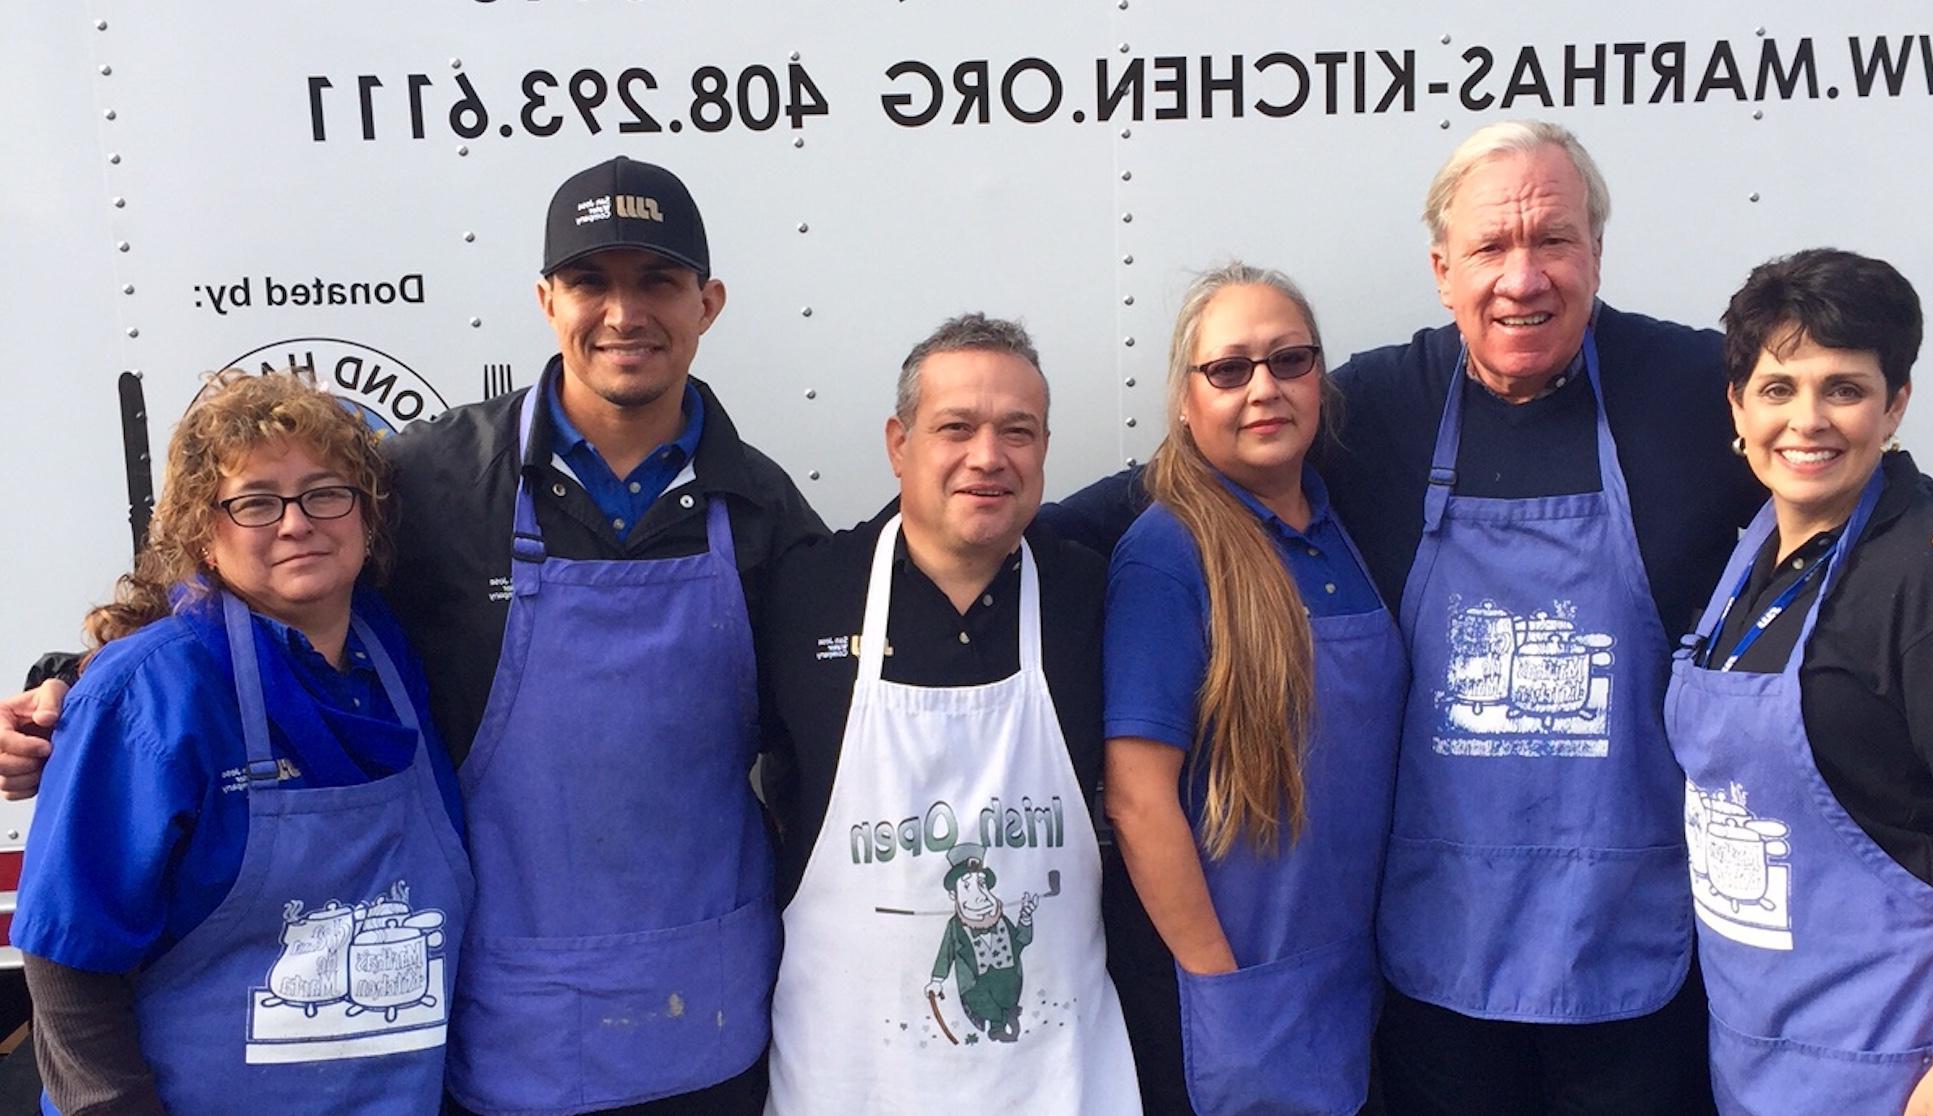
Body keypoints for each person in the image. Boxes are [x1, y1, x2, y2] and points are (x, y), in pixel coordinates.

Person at [1041, 120, 1933, 1115]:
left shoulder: (1687, 388)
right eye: (1491, 247)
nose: (1521, 278)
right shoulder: (1376, 404)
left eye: (1553, 242)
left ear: (1596, 255)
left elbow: (1847, 460)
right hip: (1433, 964)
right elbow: (1170, 485)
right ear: (1443, 271)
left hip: (1637, 961)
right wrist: (962, 540)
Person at [1, 155, 825, 1116]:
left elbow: (835, 713)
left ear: (707, 302)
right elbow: (258, 589)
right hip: (503, 1022)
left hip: (709, 1016)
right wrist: (78, 686)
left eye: (658, 282)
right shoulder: (436, 477)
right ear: (546, 299)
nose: (623, 312)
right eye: (591, 281)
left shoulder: (761, 505)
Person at [14, 371, 472, 1115]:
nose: (297, 523)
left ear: (367, 516)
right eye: (256, 501)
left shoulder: (406, 666)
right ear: (203, 529)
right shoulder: (153, 694)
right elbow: (69, 963)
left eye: (326, 492)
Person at [755, 314, 1139, 1113]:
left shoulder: (1095, 597)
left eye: (1018, 432)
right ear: (899, 444)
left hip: (1056, 1079)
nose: (988, 457)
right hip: (849, 1081)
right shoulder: (801, 594)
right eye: (955, 427)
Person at [1668, 249, 1933, 1115]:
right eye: (1778, 388)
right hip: (1755, 1042)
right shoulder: (1750, 550)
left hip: (1894, 1059)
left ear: (1896, 407)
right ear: (1738, 408)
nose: (1807, 420)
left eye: (1844, 388)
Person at [1100, 264, 1403, 1115]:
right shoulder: (1168, 553)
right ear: (1187, 402)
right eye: (1229, 370)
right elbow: (1137, 797)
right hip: (1243, 984)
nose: (1263, 389)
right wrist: (1221, 987)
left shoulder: (1348, 530)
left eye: (1290, 361)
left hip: (1353, 968)